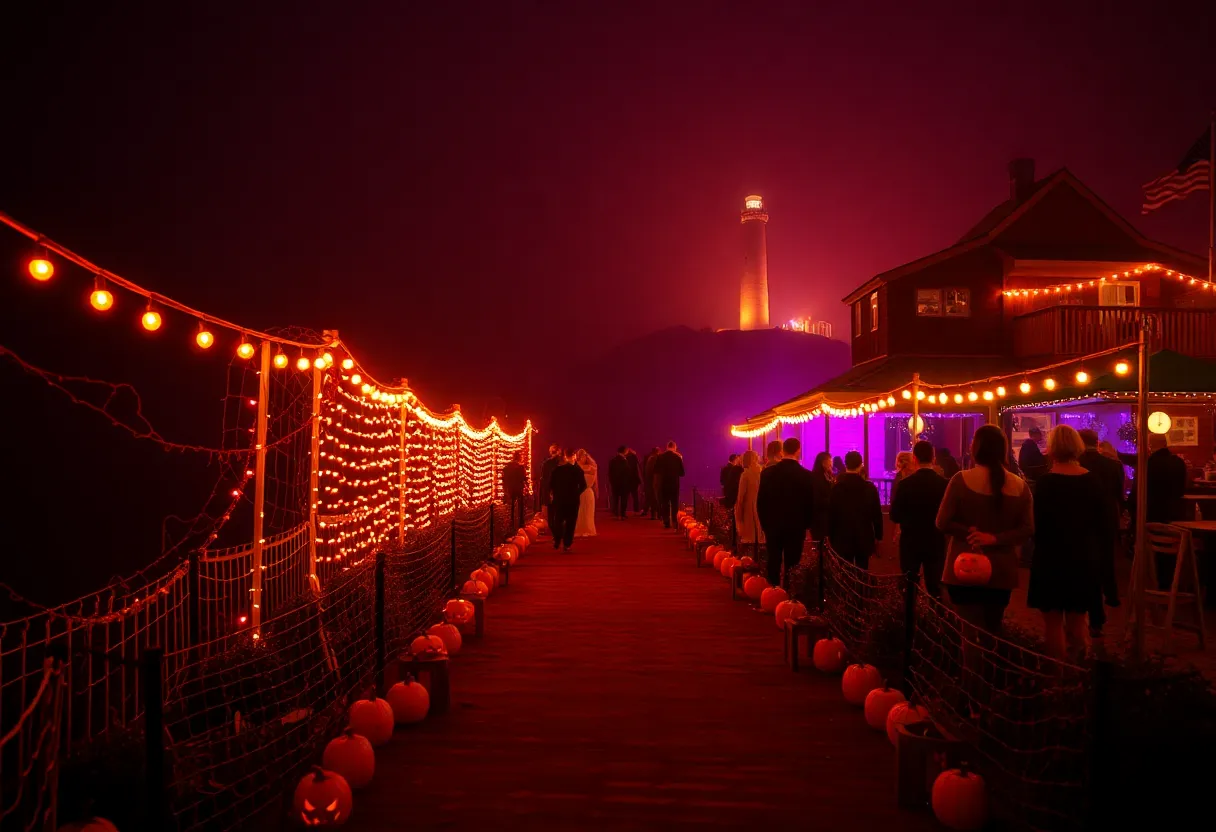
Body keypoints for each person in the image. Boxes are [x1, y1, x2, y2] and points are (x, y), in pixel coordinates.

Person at [936, 425, 1034, 633]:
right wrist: (995, 539)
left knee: (969, 632)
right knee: (993, 629)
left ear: (977, 448)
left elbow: (942, 522)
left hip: (963, 565)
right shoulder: (1019, 486)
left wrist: (970, 533)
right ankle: (993, 665)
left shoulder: (960, 480)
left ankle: (972, 666)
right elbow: (1027, 529)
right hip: (1001, 569)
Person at [1028, 425, 1114, 660]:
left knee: (1053, 625)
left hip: (1051, 558)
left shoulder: (1045, 484)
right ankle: (1080, 676)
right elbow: (1101, 525)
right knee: (1078, 621)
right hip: (1083, 559)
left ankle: (1058, 678)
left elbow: (1037, 526)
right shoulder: (1092, 482)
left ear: (1052, 449)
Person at [889, 441, 948, 599]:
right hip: (935, 540)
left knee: (909, 585)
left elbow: (894, 515)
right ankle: (936, 619)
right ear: (933, 458)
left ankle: (909, 619)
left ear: (914, 458)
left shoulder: (905, 485)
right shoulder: (944, 484)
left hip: (910, 540)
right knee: (935, 587)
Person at [757, 437, 815, 589]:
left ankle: (772, 591)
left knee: (774, 559)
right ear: (798, 450)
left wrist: (764, 523)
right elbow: (810, 503)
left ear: (782, 451)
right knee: (793, 562)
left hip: (773, 524)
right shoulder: (806, 476)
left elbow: (761, 501)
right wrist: (807, 525)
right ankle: (790, 594)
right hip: (796, 525)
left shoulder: (768, 473)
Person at [1078, 429, 1123, 617]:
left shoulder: (1077, 464)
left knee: (1084, 557)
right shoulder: (1113, 465)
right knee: (1107, 555)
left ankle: (1087, 592)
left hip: (1083, 516)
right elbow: (1119, 493)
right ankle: (1111, 594)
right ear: (1096, 442)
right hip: (1107, 515)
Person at [828, 451, 883, 569]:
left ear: (846, 464)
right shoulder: (869, 488)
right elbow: (876, 514)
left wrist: (830, 535)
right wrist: (878, 536)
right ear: (860, 465)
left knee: (844, 571)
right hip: (863, 536)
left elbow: (831, 514)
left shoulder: (837, 488)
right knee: (862, 569)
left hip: (842, 536)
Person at [548, 448, 587, 551]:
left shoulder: (557, 470)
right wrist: (576, 493)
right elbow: (584, 485)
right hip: (573, 500)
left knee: (558, 520)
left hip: (559, 499)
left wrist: (555, 493)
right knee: (571, 522)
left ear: (564, 457)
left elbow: (550, 485)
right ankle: (567, 543)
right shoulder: (577, 470)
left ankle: (557, 540)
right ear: (572, 456)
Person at [734, 450, 765, 549]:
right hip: (760, 510)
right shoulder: (762, 473)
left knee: (749, 543)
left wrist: (738, 517)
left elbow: (740, 498)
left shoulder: (745, 475)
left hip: (748, 512)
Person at [653, 441, 685, 528]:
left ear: (667, 447)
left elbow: (655, 470)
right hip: (674, 483)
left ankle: (666, 521)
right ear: (674, 447)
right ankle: (674, 521)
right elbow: (682, 473)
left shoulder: (660, 457)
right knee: (674, 503)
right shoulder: (677, 457)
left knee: (665, 502)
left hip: (663, 483)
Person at [808, 451, 834, 548]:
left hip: (826, 515)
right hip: (819, 516)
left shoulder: (827, 475)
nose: (831, 463)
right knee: (820, 544)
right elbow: (817, 497)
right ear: (823, 462)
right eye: (829, 461)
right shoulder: (817, 477)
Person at [574, 450, 599, 537]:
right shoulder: (575, 467)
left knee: (588, 512)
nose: (583, 458)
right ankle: (578, 529)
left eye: (584, 456)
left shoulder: (591, 467)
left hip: (588, 491)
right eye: (581, 457)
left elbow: (594, 482)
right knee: (579, 512)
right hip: (578, 492)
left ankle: (588, 529)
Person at [502, 450, 527, 530]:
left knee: (511, 506)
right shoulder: (521, 467)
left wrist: (505, 488)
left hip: (510, 489)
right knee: (520, 506)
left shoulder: (507, 467)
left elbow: (504, 478)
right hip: (519, 489)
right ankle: (521, 523)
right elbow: (524, 478)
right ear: (519, 457)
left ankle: (510, 523)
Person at [538, 444, 562, 521]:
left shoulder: (546, 463)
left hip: (550, 490)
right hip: (558, 490)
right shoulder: (562, 463)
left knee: (550, 512)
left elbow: (543, 479)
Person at [608, 447, 632, 520]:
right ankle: (622, 514)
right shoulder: (624, 461)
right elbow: (627, 473)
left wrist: (612, 482)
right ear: (624, 451)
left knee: (615, 499)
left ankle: (616, 513)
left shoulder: (612, 460)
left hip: (615, 483)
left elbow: (610, 473)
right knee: (624, 499)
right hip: (624, 483)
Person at [644, 446, 661, 519]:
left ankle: (653, 515)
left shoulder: (649, 459)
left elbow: (647, 471)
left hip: (649, 481)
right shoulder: (657, 458)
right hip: (655, 481)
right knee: (657, 498)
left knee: (652, 498)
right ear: (658, 451)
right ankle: (659, 515)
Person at [625, 447, 642, 514]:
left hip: (627, 480)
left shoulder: (625, 458)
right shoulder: (635, 458)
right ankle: (636, 509)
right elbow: (637, 469)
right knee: (635, 496)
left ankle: (624, 510)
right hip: (634, 480)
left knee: (626, 496)